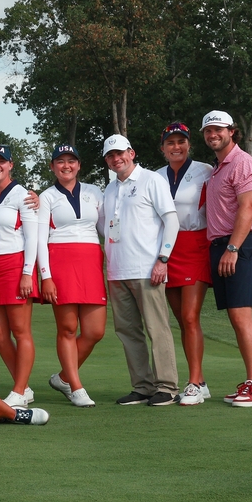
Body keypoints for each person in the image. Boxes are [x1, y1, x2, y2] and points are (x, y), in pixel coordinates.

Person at [102, 134, 181, 407]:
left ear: (132, 153)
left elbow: (171, 219)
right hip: (117, 271)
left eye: (120, 153)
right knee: (128, 331)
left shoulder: (152, 180)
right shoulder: (110, 189)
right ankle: (143, 386)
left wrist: (163, 258)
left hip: (148, 268)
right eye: (111, 155)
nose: (116, 158)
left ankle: (167, 386)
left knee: (156, 328)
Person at [200, 111, 252, 407]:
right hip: (223, 246)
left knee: (242, 318)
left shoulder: (244, 163)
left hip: (240, 247)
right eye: (207, 131)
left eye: (218, 129)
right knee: (236, 317)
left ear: (232, 131)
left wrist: (232, 248)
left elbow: (250, 205)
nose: (212, 134)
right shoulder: (218, 168)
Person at [37, 144, 106, 408]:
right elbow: (41, 240)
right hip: (60, 263)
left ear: (79, 165)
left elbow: (103, 229)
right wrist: (46, 276)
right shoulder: (46, 197)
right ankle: (76, 387)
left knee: (95, 331)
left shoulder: (94, 192)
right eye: (60, 161)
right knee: (67, 328)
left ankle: (64, 377)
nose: (66, 166)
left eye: (71, 161)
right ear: (53, 166)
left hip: (90, 262)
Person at [155, 123, 213, 406]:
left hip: (195, 245)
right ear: (163, 147)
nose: (176, 147)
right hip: (166, 250)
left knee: (190, 317)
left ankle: (193, 383)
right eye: (170, 142)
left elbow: (225, 201)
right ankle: (200, 381)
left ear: (189, 144)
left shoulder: (205, 171)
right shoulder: (154, 176)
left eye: (181, 141)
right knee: (182, 319)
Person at [0, 144, 39, 408]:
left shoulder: (22, 195)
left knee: (20, 331)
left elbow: (32, 237)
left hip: (16, 265)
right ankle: (23, 387)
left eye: (1, 161)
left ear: (11, 164)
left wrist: (28, 273)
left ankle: (18, 390)